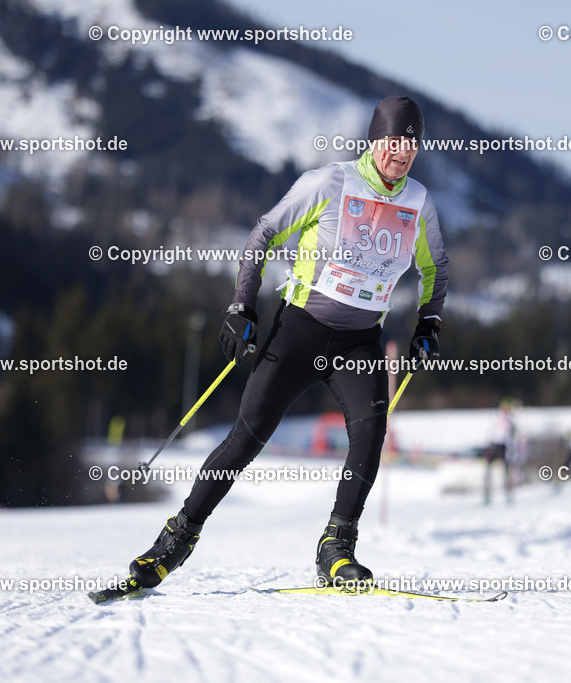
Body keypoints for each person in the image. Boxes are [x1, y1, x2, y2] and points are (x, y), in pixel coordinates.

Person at [123, 96, 449, 591]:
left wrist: (429, 323)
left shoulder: (419, 203)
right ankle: (176, 538)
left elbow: (435, 269)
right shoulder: (331, 183)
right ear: (374, 140)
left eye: (411, 143)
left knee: (370, 434)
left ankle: (336, 548)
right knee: (245, 439)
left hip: (360, 342)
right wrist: (241, 305)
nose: (401, 152)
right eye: (392, 141)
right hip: (301, 329)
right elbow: (264, 233)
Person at [482, 397, 519, 504]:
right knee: (488, 470)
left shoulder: (511, 419)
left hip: (504, 447)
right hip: (493, 445)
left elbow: (512, 432)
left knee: (507, 471)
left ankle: (508, 495)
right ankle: (487, 496)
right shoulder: (496, 415)